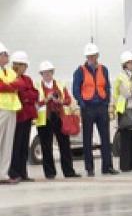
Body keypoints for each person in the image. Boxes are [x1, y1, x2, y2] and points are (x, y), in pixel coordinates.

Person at [73, 44, 117, 176]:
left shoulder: (104, 69)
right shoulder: (80, 71)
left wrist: (106, 102)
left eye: (93, 55)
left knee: (105, 137)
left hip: (101, 107)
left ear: (97, 56)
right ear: (86, 57)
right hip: (88, 107)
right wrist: (81, 103)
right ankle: (89, 168)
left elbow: (107, 86)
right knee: (87, 138)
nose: (91, 58)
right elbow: (75, 89)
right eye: (89, 56)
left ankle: (107, 167)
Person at [35, 61, 80, 179]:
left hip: (59, 117)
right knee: (46, 146)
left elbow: (68, 100)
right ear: (41, 74)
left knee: (65, 145)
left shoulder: (60, 84)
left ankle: (69, 171)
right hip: (45, 119)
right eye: (44, 73)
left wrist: (60, 101)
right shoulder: (37, 86)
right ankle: (50, 172)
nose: (47, 75)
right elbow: (36, 104)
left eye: (49, 72)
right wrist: (46, 99)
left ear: (52, 72)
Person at [7, 51, 38, 183]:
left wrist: (26, 96)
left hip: (27, 116)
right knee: (15, 145)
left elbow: (35, 94)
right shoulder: (11, 77)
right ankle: (13, 172)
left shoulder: (27, 79)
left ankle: (22, 172)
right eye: (24, 65)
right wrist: (26, 97)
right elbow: (21, 95)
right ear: (17, 65)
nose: (25, 68)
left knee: (24, 145)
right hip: (17, 116)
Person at [0, 42, 21, 185]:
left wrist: (9, 86)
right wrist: (10, 86)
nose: (7, 56)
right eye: (5, 54)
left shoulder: (10, 72)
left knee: (8, 143)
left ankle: (3, 174)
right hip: (1, 108)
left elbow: (20, 84)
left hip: (12, 109)